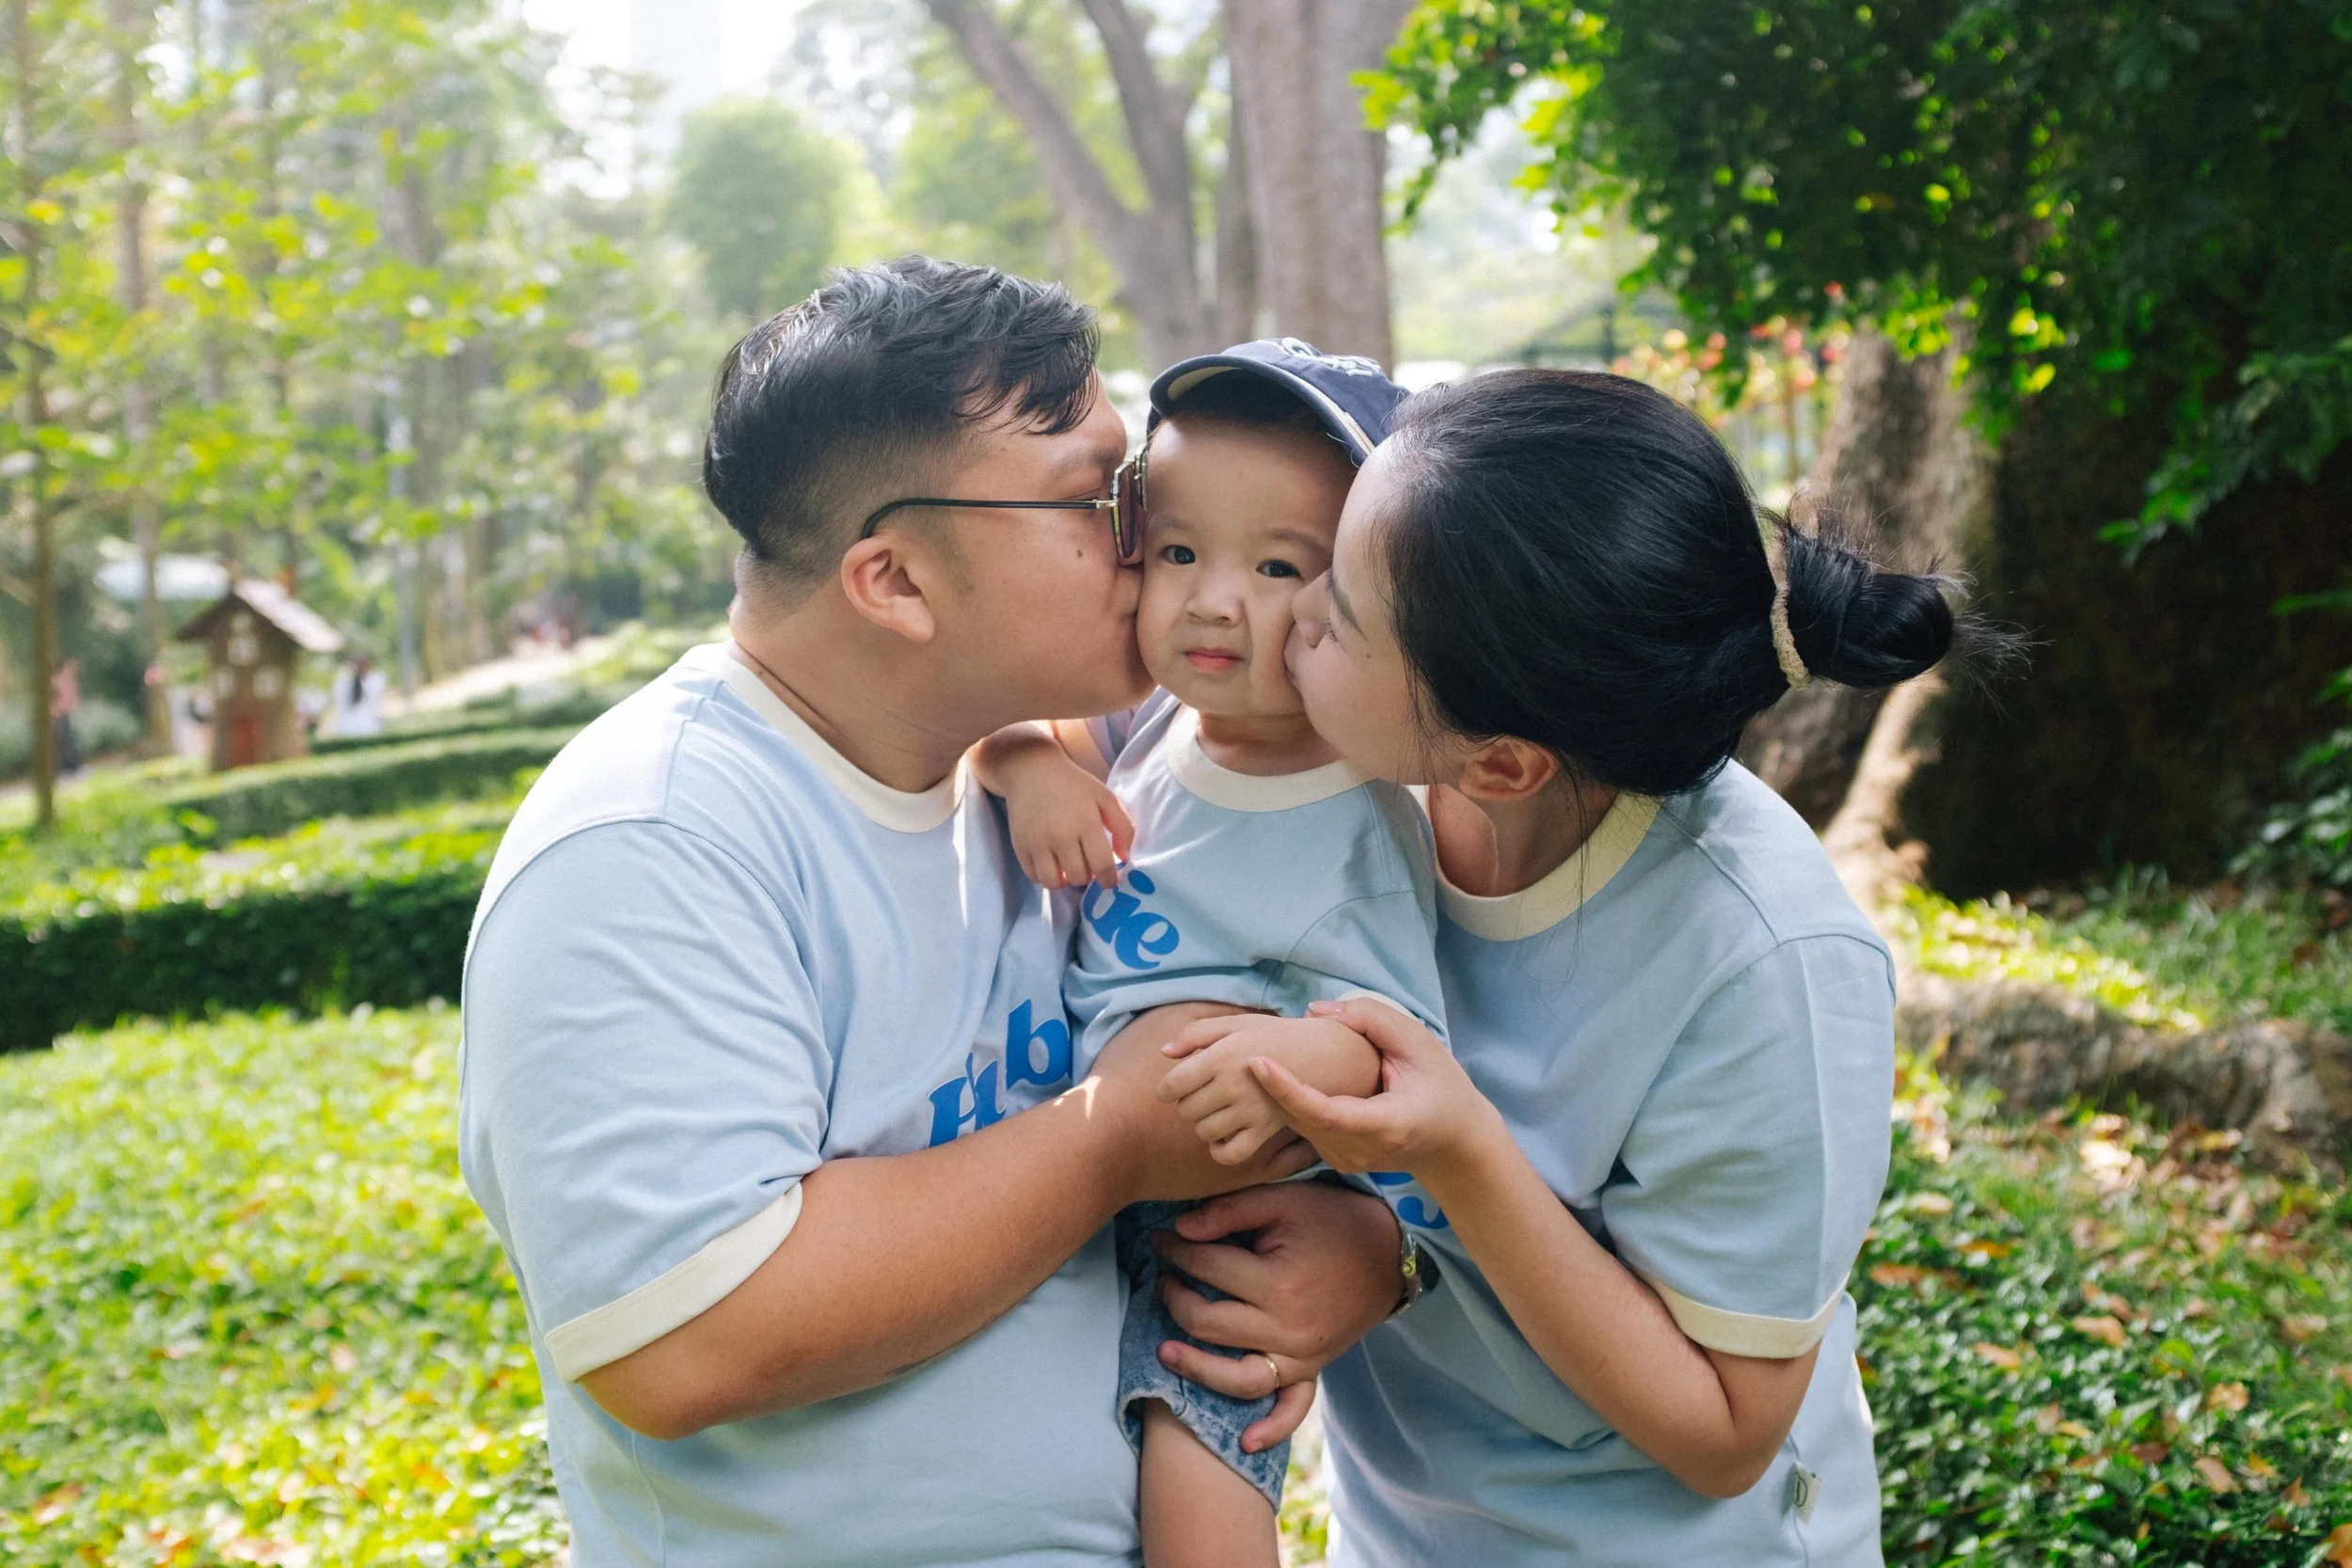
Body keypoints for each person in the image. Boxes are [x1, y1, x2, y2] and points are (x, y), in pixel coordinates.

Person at [457, 259, 1412, 1568]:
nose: (1149, 542)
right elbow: (686, 1332)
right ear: (895, 581)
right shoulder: (654, 837)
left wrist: (1368, 1244)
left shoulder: (1049, 772)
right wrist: (1112, 1137)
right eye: (1100, 498)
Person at [1178, 369, 1994, 1565]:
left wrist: (1455, 1155)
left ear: (1501, 763)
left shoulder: (1761, 958)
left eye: (1339, 609)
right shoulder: (1343, 775)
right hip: (1401, 1531)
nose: (1290, 616)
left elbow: (1725, 1430)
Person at [975, 341, 1438, 1568]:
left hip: (1234, 1223)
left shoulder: (1362, 813)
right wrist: (1028, 765)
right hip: (1075, 1194)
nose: (1213, 599)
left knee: (1197, 1486)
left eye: (1280, 566)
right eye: (1177, 550)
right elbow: (1011, 725)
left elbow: (1407, 1049)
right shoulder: (1159, 723)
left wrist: (1304, 1048)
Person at [328, 655, 388, 739]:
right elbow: (338, 700)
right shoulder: (343, 682)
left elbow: (375, 696)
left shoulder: (376, 679)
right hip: (345, 725)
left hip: (368, 724)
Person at [51, 657, 83, 778]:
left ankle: (72, 767)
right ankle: (65, 769)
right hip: (58, 714)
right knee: (63, 742)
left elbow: (72, 697)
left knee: (67, 741)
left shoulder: (67, 681)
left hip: (63, 714)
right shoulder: (56, 681)